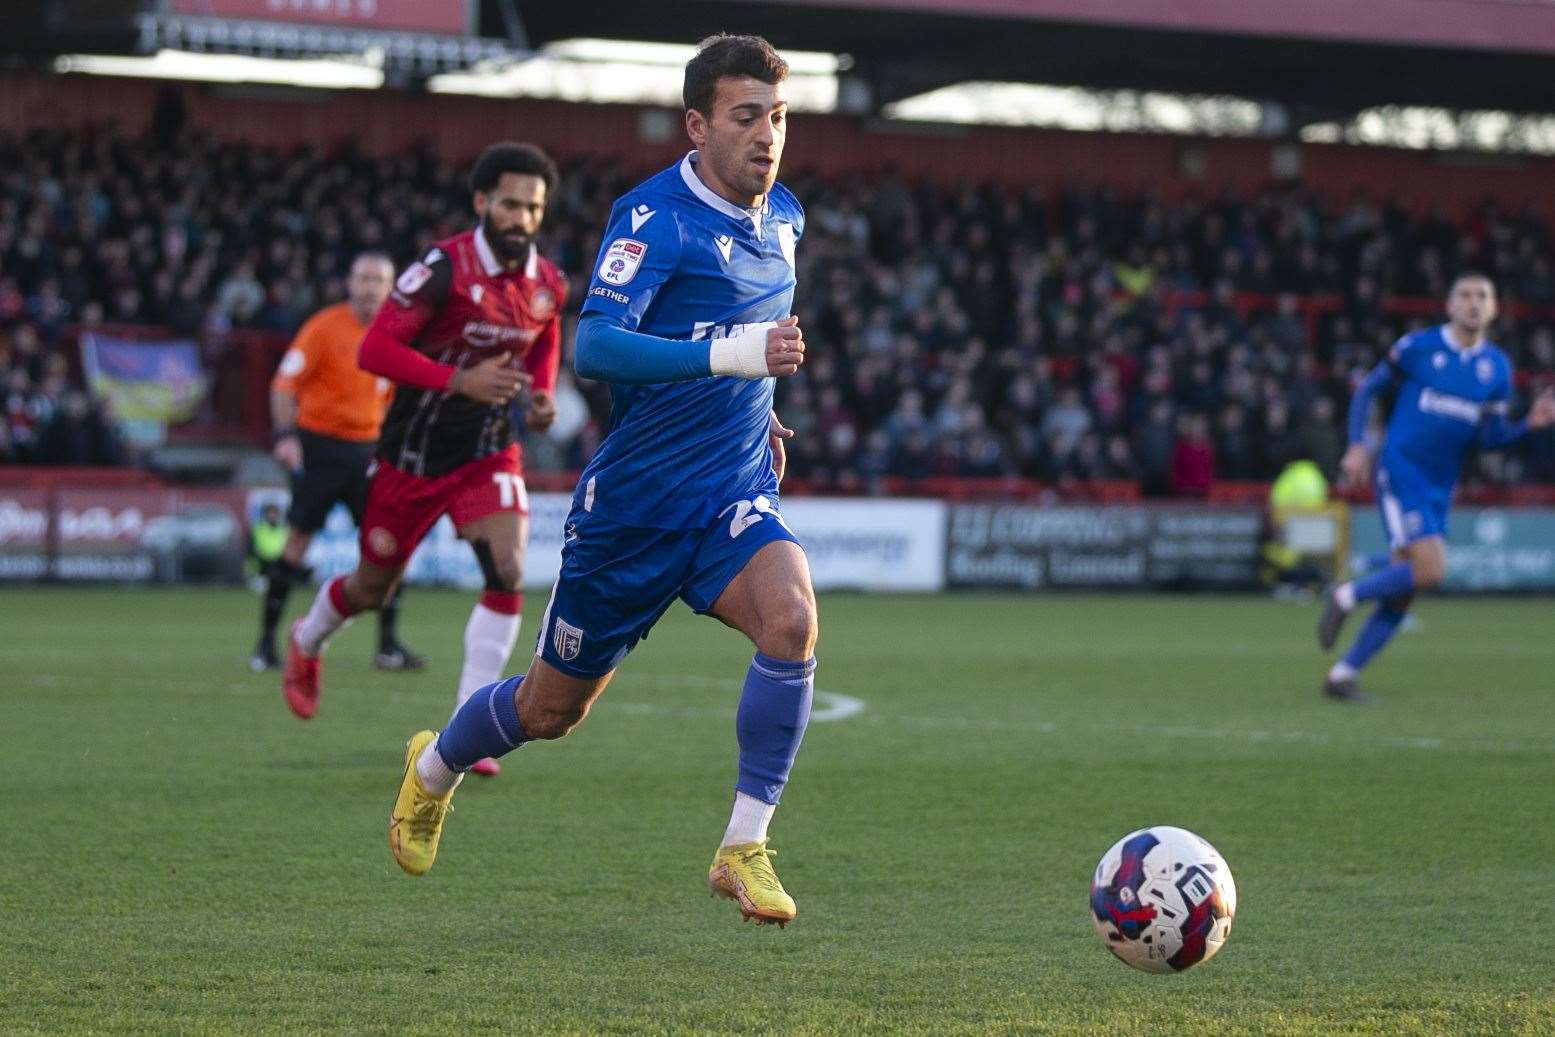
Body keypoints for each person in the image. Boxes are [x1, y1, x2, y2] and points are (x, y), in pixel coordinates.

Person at [386, 34, 817, 928]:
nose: (766, 135)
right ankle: (434, 768)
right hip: (633, 511)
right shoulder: (653, 217)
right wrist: (736, 357)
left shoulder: (786, 217)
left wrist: (759, 403)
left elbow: (748, 331)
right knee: (548, 711)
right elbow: (597, 347)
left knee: (793, 617)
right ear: (697, 126)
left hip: (728, 493)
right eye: (746, 117)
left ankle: (742, 845)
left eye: (777, 116)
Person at [283, 143, 567, 764]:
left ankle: (472, 731)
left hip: (489, 451)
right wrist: (457, 381)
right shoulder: (444, 268)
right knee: (370, 589)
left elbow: (545, 338)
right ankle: (306, 641)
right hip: (410, 458)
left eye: (533, 207)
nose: (522, 217)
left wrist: (541, 395)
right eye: (511, 204)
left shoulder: (546, 284)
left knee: (507, 570)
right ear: (482, 202)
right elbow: (376, 351)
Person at [1317, 273, 1555, 701]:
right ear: (1449, 305)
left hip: (1439, 486)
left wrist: (1528, 426)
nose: (1473, 303)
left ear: (1494, 308)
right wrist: (1356, 445)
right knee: (1431, 569)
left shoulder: (1496, 369)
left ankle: (1342, 676)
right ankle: (1346, 594)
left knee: (1406, 589)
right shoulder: (1418, 347)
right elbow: (1369, 388)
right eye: (1465, 295)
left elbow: (1488, 439)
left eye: (1483, 296)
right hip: (1400, 469)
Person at [253, 251, 424, 674]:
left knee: (388, 546)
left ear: (391, 288)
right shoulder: (323, 327)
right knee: (297, 543)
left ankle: (387, 647)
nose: (369, 287)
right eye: (362, 278)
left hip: (369, 451)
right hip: (320, 447)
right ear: (349, 283)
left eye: (378, 280)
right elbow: (283, 385)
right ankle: (266, 644)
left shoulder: (396, 334)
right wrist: (285, 436)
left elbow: (396, 398)